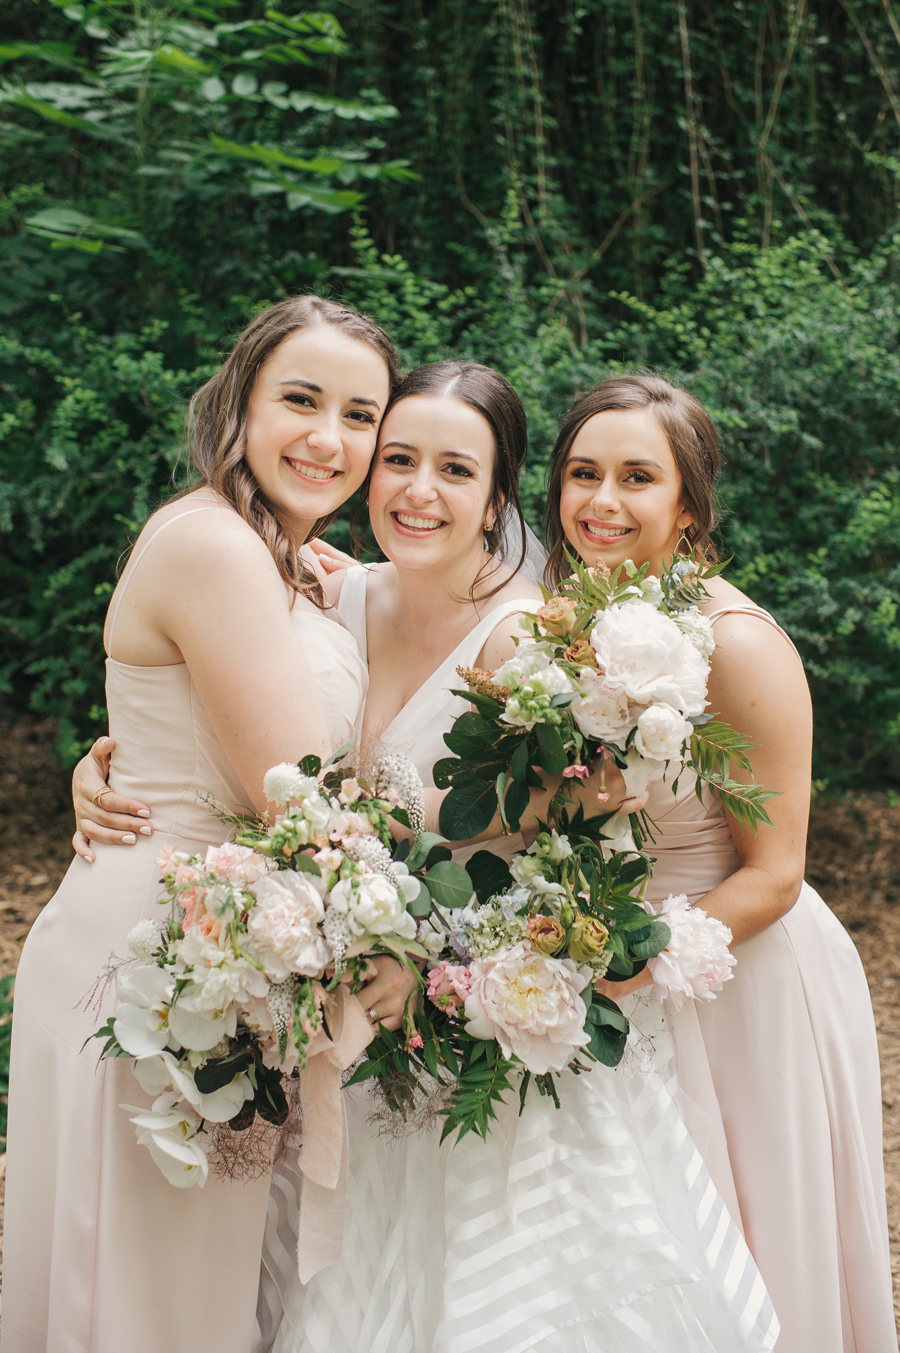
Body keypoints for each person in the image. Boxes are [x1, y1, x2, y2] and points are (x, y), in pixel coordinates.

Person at [70, 360, 779, 1351]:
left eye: (456, 468)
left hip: (481, 1049)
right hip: (357, 1044)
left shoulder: (530, 646)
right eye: (397, 459)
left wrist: (482, 970)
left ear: (497, 497)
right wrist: (105, 765)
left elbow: (583, 864)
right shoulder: (331, 595)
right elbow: (217, 712)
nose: (417, 489)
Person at [1, 295, 402, 1353]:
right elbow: (299, 793)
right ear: (239, 403)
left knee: (208, 1279)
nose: (330, 438)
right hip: (161, 959)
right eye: (302, 401)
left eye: (361, 416)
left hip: (233, 941)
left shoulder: (307, 569)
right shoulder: (217, 547)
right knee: (151, 1291)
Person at [543, 370, 896, 1353]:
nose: (601, 502)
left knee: (747, 1256)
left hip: (731, 975)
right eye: (582, 473)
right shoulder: (561, 622)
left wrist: (633, 966)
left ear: (690, 505)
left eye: (636, 478)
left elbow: (777, 871)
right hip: (603, 970)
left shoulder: (736, 645)